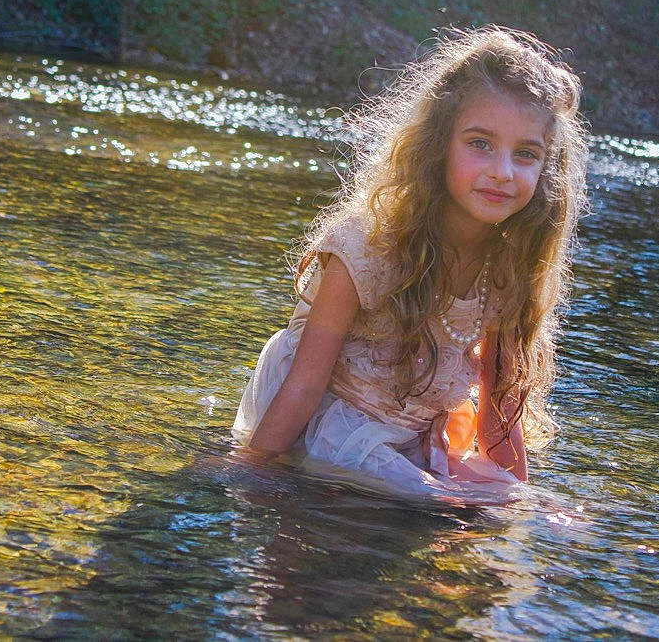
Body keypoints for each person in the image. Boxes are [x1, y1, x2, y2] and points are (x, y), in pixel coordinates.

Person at [232, 26, 588, 498]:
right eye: (480, 143)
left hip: (409, 441)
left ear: (547, 169)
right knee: (439, 503)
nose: (502, 172)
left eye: (525, 154)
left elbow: (500, 417)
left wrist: (515, 507)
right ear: (438, 144)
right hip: (327, 427)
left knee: (516, 504)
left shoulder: (509, 269)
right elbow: (303, 386)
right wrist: (246, 472)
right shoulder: (366, 247)